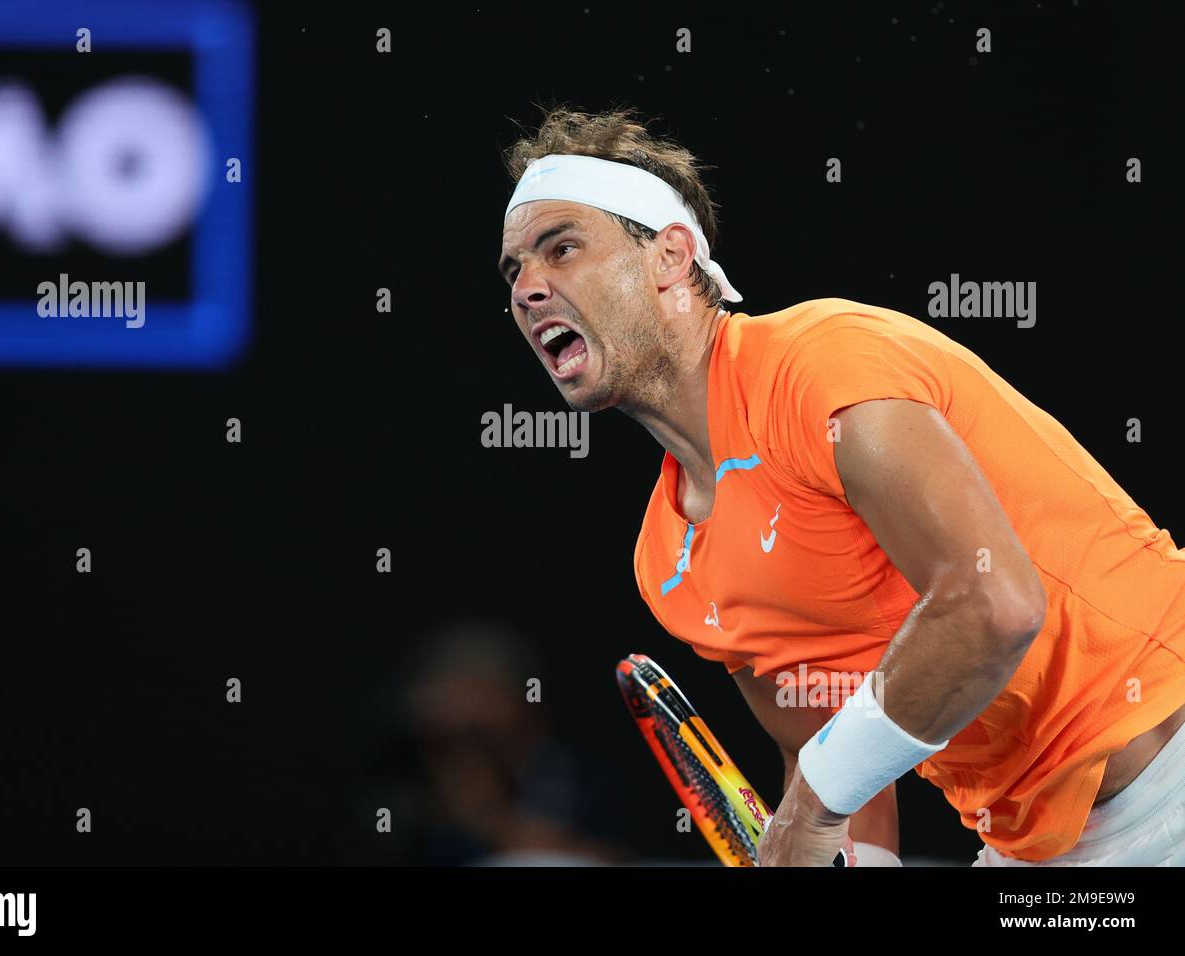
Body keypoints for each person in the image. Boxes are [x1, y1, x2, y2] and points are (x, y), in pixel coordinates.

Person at [495, 106, 1185, 866]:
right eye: (516, 270)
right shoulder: (669, 563)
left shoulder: (821, 363)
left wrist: (811, 808)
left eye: (561, 249)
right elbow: (829, 748)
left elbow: (994, 604)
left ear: (669, 256)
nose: (529, 288)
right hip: (1035, 848)